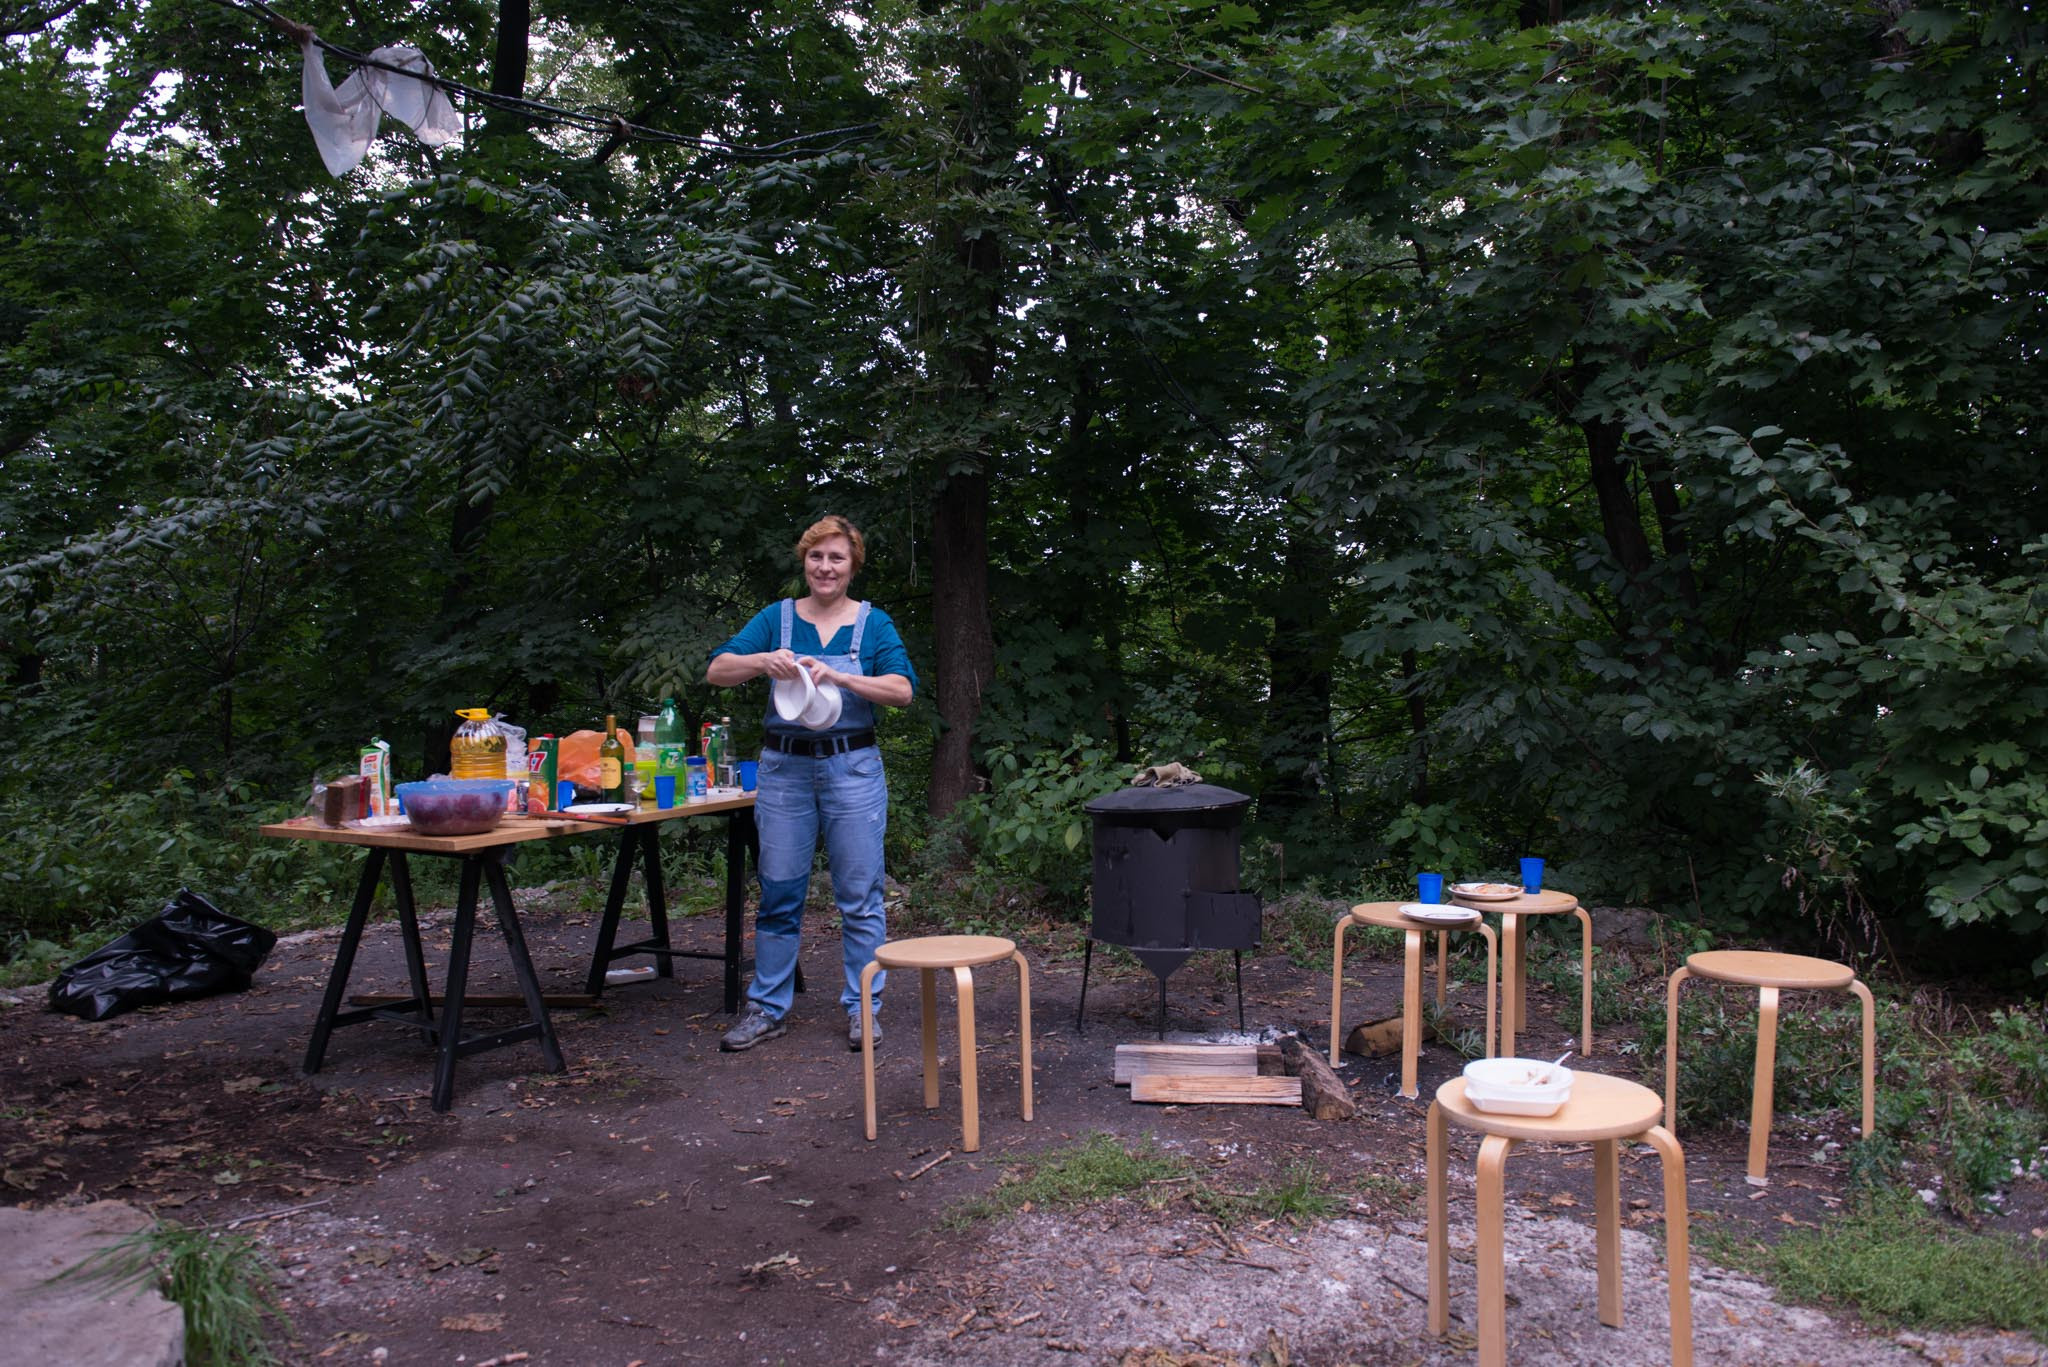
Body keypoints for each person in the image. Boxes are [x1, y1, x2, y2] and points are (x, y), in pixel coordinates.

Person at [706, 515, 918, 1052]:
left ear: (852, 566)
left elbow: (901, 691)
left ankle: (862, 1009)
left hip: (853, 769)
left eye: (837, 558)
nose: (825, 567)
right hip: (785, 771)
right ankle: (767, 1008)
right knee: (778, 891)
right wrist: (760, 661)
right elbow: (717, 670)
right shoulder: (776, 620)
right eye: (817, 557)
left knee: (861, 895)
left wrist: (844, 676)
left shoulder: (873, 625)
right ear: (805, 562)